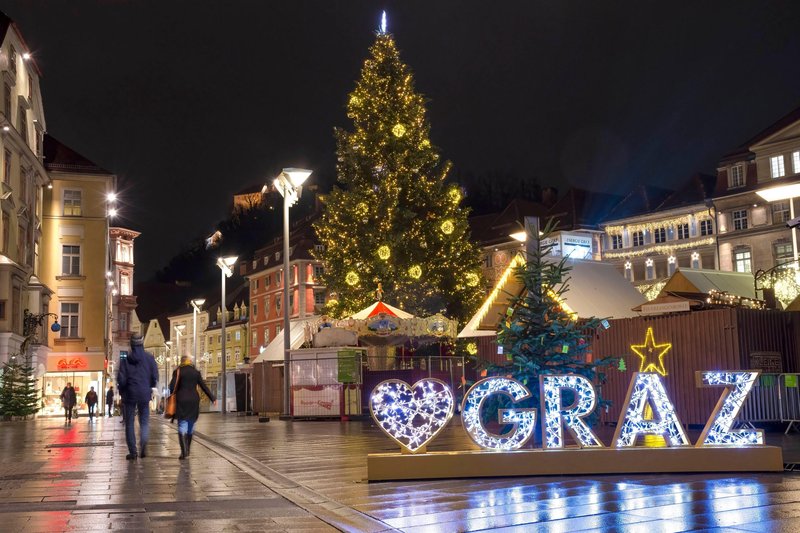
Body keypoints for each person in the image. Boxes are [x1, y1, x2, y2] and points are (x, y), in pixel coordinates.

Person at [118, 334, 159, 460]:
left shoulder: (126, 359)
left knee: (129, 423)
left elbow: (121, 379)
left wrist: (122, 391)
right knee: (144, 421)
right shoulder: (149, 358)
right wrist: (150, 387)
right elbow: (154, 376)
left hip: (129, 394)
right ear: (142, 344)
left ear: (131, 344)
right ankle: (144, 443)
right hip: (144, 393)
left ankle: (133, 452)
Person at [169, 355, 215, 460]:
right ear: (190, 362)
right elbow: (203, 386)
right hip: (194, 400)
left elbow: (172, 387)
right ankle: (188, 449)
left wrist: (173, 394)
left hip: (182, 400)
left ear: (181, 362)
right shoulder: (195, 372)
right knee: (190, 425)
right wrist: (212, 398)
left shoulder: (178, 371)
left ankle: (183, 452)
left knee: (182, 426)